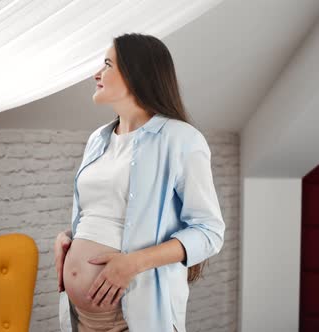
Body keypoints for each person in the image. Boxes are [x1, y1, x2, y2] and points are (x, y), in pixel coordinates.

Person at [53, 33, 225, 332]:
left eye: (107, 64)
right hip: (82, 317)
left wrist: (133, 263)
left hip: (135, 315)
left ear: (136, 74)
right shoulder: (98, 140)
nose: (97, 74)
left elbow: (210, 232)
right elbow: (107, 215)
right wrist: (69, 238)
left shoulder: (181, 139)